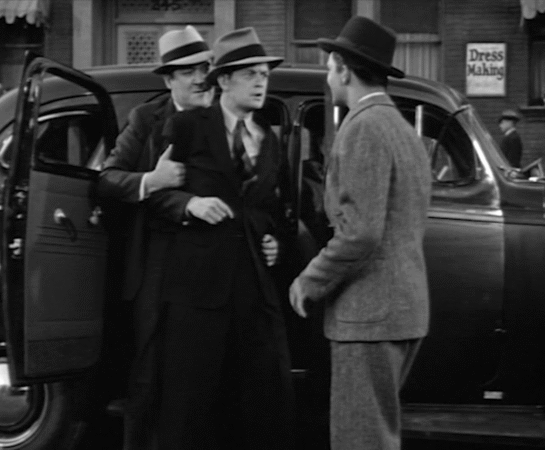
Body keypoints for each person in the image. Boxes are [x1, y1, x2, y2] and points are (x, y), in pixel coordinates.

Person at [146, 27, 295, 450]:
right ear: (224, 80)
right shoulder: (187, 126)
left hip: (252, 292)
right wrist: (189, 204)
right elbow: (156, 196)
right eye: (250, 74)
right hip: (197, 293)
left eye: (264, 75)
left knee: (255, 403)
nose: (261, 83)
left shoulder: (269, 140)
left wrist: (275, 241)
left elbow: (273, 210)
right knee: (191, 406)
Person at [288, 16, 432, 450]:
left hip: (369, 317)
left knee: (360, 440)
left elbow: (361, 233)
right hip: (400, 310)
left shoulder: (363, 127)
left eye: (329, 68)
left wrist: (309, 279)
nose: (328, 77)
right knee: (377, 436)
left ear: (344, 69)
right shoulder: (401, 128)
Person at [95, 25, 214, 450]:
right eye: (187, 72)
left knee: (204, 374)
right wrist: (152, 179)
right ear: (168, 81)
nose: (199, 78)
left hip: (212, 266)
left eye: (204, 68)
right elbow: (107, 179)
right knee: (149, 373)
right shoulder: (146, 119)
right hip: (157, 266)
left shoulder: (225, 115)